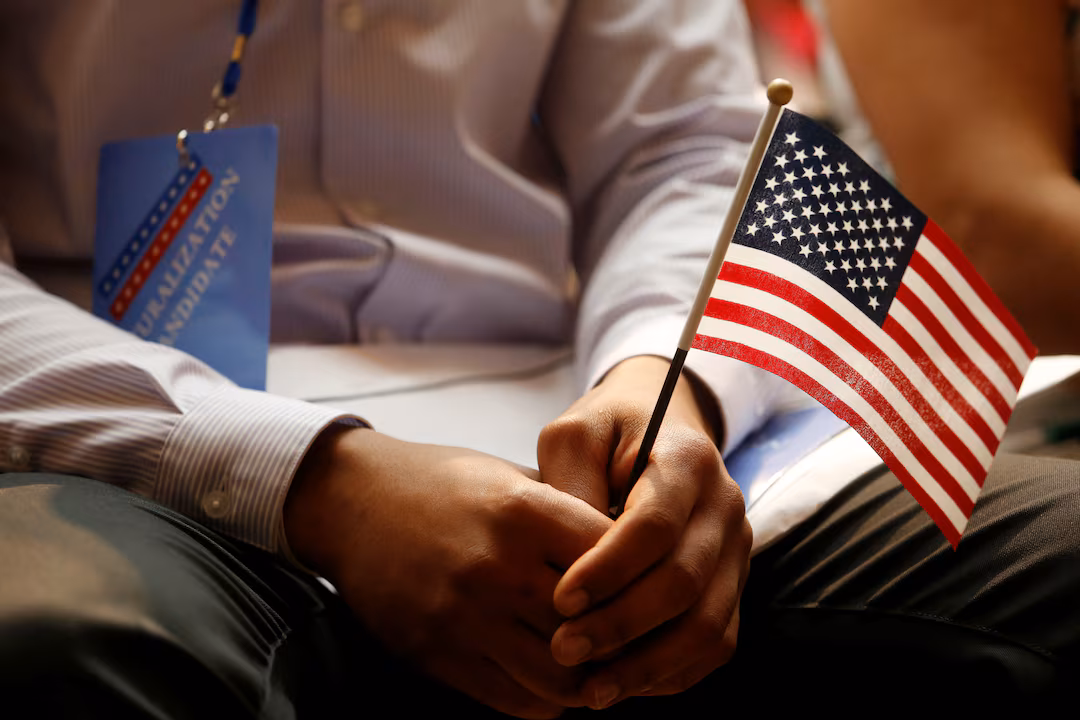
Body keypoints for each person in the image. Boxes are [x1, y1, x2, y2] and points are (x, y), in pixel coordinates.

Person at [0, 2, 1077, 717]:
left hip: (575, 414)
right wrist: (316, 481)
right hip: (130, 442)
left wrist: (667, 382)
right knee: (58, 641)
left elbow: (683, 149)